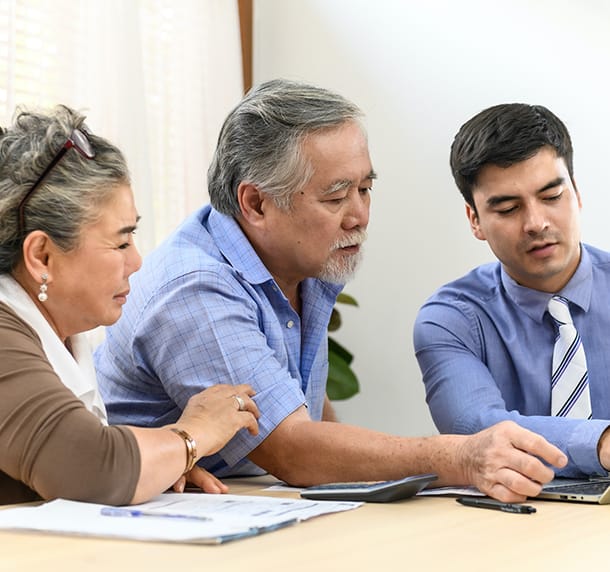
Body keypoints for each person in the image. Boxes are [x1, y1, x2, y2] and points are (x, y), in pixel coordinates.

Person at [95, 80, 567, 502]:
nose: (358, 215)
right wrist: (459, 458)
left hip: (239, 500)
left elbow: (303, 414)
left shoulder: (307, 262)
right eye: (336, 197)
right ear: (256, 203)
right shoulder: (197, 286)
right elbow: (294, 450)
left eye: (365, 189)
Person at [0, 105, 260, 506]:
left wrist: (162, 461)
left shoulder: (66, 337)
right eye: (121, 242)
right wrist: (192, 435)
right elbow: (92, 470)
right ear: (42, 256)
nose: (137, 262)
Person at [414, 102, 610, 478]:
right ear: (475, 220)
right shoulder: (451, 319)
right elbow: (475, 431)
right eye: (507, 208)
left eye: (552, 196)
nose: (536, 223)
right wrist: (602, 442)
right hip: (508, 523)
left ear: (577, 193)